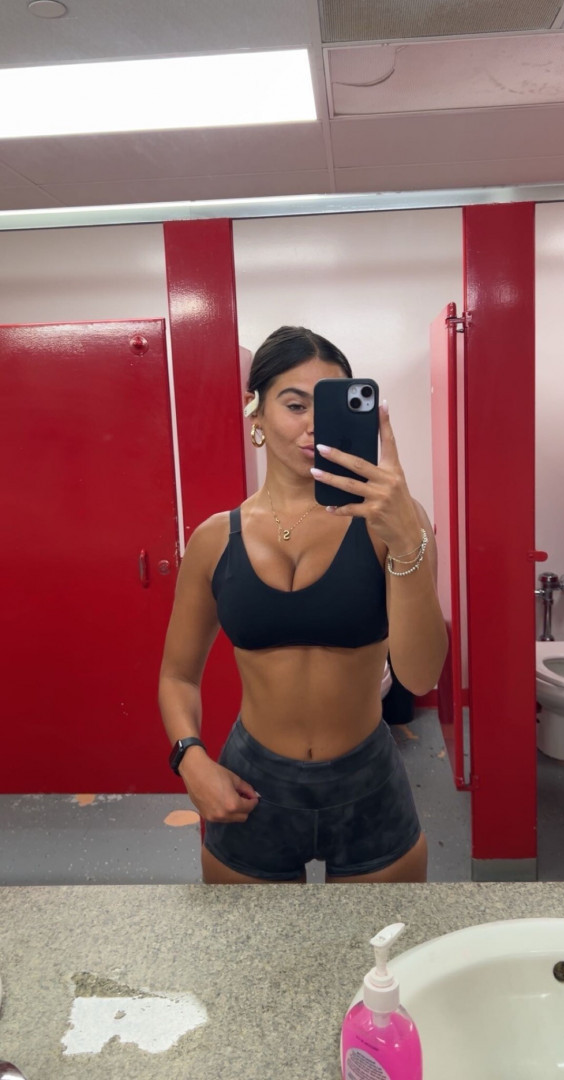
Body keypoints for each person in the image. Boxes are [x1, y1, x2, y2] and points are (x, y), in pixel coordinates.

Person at [158, 325, 447, 884]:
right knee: (250, 943)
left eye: (329, 406)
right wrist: (190, 758)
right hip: (251, 783)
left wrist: (407, 539)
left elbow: (420, 673)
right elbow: (177, 676)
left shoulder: (393, 523)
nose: (313, 424)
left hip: (368, 781)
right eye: (294, 405)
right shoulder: (214, 540)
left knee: (379, 943)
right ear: (257, 414)